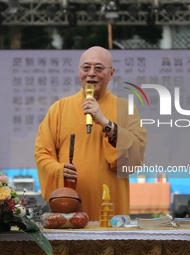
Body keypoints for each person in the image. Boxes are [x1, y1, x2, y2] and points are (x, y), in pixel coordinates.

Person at [34, 46, 147, 221]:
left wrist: (106, 123)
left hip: (111, 204)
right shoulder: (59, 109)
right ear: (79, 71)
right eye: (86, 68)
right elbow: (42, 153)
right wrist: (59, 170)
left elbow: (135, 154)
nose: (91, 73)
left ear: (111, 73)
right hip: (68, 202)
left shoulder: (126, 108)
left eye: (99, 68)